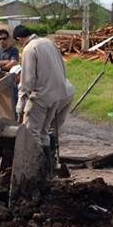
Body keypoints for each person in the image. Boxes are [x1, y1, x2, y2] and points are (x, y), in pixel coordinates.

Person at [13, 25, 73, 173]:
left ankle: (36, 173)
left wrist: (19, 107)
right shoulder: (48, 42)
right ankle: (48, 172)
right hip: (57, 94)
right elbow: (62, 68)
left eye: (18, 42)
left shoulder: (29, 49)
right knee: (44, 132)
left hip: (41, 96)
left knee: (32, 135)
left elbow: (27, 80)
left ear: (20, 39)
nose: (19, 45)